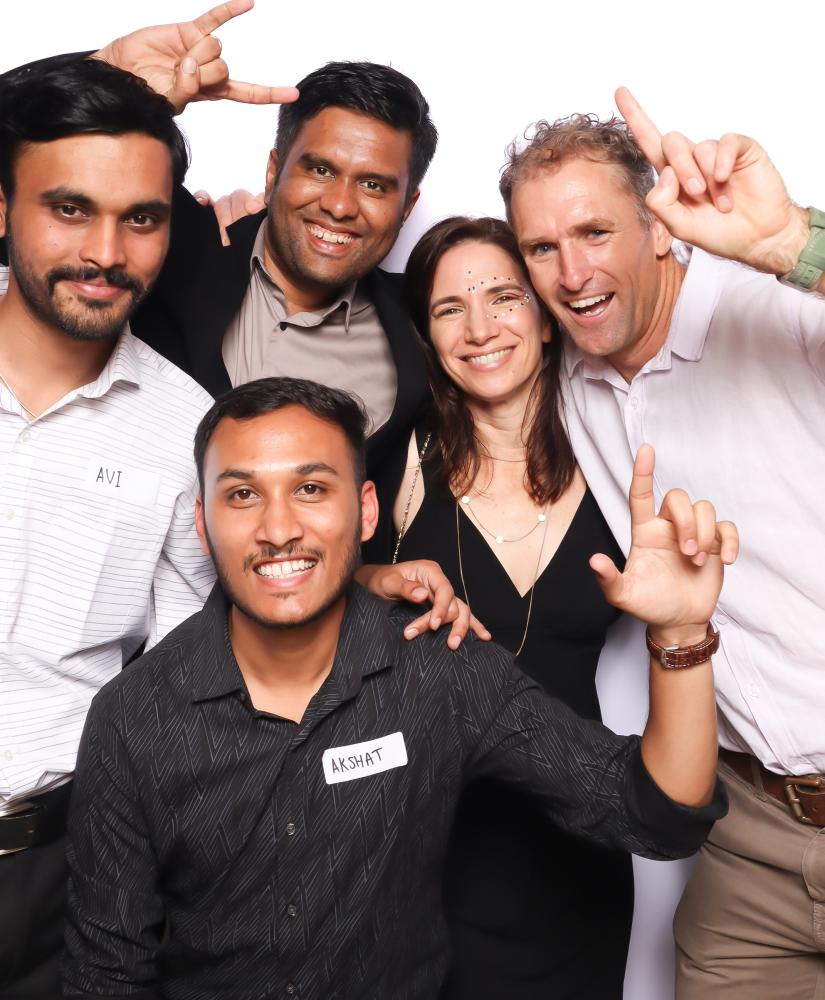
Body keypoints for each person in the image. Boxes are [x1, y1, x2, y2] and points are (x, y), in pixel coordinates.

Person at [63, 374, 735, 999]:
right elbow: (107, 974)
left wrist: (680, 634)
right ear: (203, 524)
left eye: (311, 488)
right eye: (242, 495)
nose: (278, 529)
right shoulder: (133, 717)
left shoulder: (439, 668)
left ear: (365, 511)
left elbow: (654, 815)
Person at [501, 91, 825, 999]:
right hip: (749, 833)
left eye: (594, 232)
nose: (571, 272)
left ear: (657, 229)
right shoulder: (560, 376)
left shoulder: (774, 310)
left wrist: (790, 243)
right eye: (540, 247)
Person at [0, 57, 217, 998]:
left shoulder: (185, 430)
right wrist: (101, 61)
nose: (106, 252)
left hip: (56, 881)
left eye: (142, 218)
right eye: (69, 208)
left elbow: (183, 689)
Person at [390, 216, 632, 998]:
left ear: (547, 316)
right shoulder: (399, 461)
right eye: (449, 308)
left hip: (579, 844)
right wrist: (374, 581)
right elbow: (304, 587)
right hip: (422, 854)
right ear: (427, 336)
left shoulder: (619, 458)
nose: (480, 328)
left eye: (503, 297)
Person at [81, 1, 437, 495]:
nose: (339, 205)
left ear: (407, 206)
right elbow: (24, 200)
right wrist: (99, 77)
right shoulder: (168, 241)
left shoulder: (427, 328)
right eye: (320, 170)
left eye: (373, 185)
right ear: (274, 172)